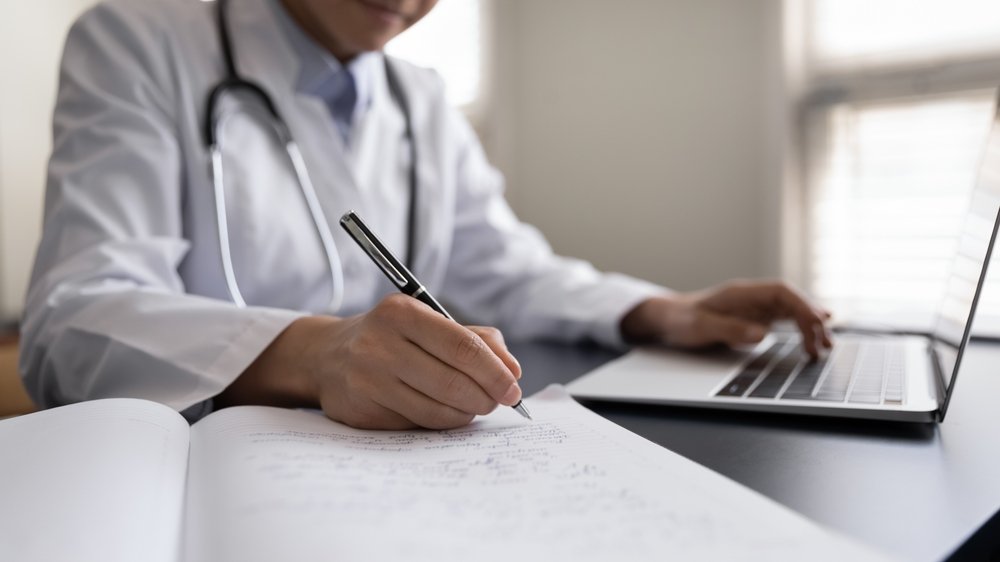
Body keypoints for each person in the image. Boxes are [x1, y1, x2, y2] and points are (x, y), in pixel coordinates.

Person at [20, 0, 831, 430]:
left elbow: (505, 267)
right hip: (204, 458)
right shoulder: (135, 41)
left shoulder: (421, 98)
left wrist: (661, 310)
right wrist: (314, 353)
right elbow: (72, 321)